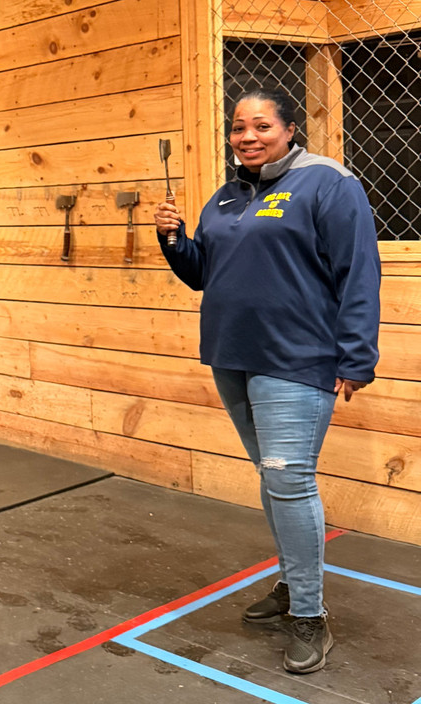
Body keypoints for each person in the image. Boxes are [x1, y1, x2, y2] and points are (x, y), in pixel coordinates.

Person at [154, 87, 380, 674]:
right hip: (233, 356)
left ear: (289, 129)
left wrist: (356, 358)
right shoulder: (226, 197)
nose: (247, 136)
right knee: (273, 478)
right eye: (237, 128)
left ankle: (309, 614)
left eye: (261, 126)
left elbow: (359, 270)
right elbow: (205, 274)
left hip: (298, 359)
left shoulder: (327, 184)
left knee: (290, 481)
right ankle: (291, 584)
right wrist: (174, 240)